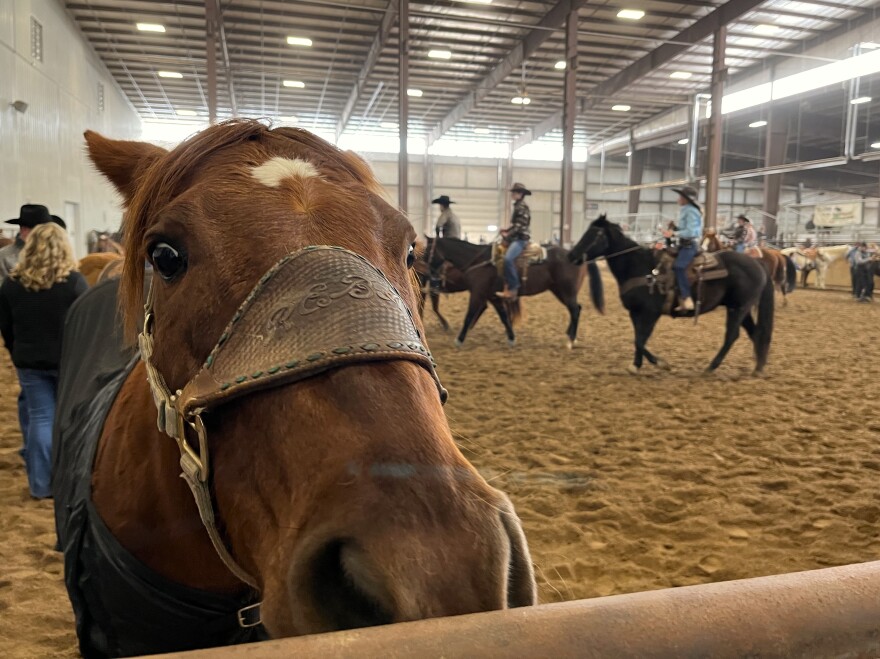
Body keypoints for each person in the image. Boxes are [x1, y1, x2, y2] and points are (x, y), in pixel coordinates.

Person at [0, 223, 87, 498]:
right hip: (68, 361)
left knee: (40, 418)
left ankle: (40, 485)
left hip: (29, 362)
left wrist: (17, 354)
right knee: (71, 419)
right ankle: (71, 482)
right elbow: (83, 323)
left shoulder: (11, 285)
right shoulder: (74, 282)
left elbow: (6, 327)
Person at [1, 205, 53, 461]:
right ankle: (31, 446)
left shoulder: (56, 254)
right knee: (30, 399)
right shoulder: (6, 257)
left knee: (35, 400)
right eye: (23, 227)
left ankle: (36, 450)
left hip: (38, 335)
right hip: (23, 328)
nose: (25, 231)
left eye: (30, 227)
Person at [664, 186, 703, 312]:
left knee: (679, 267)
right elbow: (684, 229)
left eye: (681, 196)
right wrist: (674, 228)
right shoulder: (686, 210)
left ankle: (687, 298)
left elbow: (691, 231)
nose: (678, 198)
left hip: (689, 244)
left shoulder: (691, 211)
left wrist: (674, 234)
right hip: (684, 244)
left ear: (687, 199)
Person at [497, 182, 531, 300]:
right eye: (513, 192)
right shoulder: (518, 206)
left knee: (508, 259)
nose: (513, 194)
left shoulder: (521, 207)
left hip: (521, 239)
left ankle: (513, 288)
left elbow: (520, 226)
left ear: (520, 194)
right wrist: (506, 230)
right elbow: (516, 225)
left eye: (515, 192)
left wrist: (508, 235)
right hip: (517, 237)